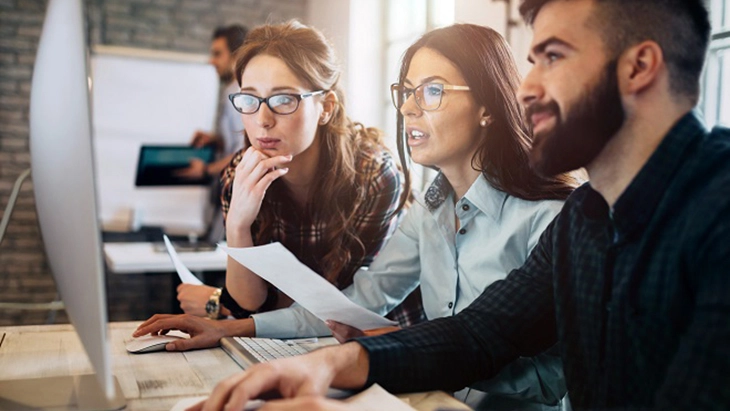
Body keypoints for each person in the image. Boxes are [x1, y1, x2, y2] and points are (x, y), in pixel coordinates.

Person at [184, 0, 730, 410]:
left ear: (639, 67)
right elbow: (479, 334)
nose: (527, 86)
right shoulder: (587, 217)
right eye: (533, 59)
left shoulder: (716, 211)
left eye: (554, 57)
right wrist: (330, 365)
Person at [136, 23, 579, 410]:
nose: (407, 107)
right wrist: (231, 327)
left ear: (488, 106)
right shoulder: (429, 210)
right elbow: (357, 304)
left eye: (432, 90)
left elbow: (550, 375)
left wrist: (403, 358)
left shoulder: (552, 220)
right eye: (406, 92)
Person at [148, 20, 422, 332]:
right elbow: (249, 301)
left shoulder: (371, 175)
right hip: (288, 342)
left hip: (382, 346)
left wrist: (216, 302)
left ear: (326, 107)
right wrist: (238, 223)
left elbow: (334, 308)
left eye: (283, 100)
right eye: (249, 99)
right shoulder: (239, 172)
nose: (262, 120)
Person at [175, 25, 248, 317]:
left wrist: (205, 168)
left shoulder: (240, 94)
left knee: (224, 278)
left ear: (236, 55)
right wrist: (214, 140)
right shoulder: (230, 91)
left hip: (233, 199)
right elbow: (235, 141)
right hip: (223, 198)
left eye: (217, 54)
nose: (211, 61)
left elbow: (245, 150)